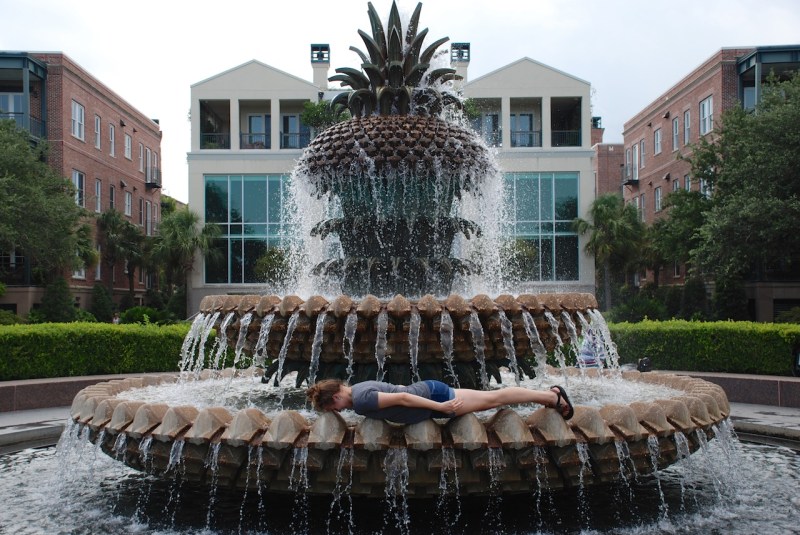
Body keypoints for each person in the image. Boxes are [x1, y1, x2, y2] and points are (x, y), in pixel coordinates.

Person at [306, 378, 574, 424]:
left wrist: (441, 408)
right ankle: (548, 395)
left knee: (495, 398)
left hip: (435, 397)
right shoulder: (358, 388)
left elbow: (401, 396)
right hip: (430, 390)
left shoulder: (362, 400)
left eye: (332, 407)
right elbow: (397, 389)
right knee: (493, 397)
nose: (336, 412)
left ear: (337, 396)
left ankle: (551, 396)